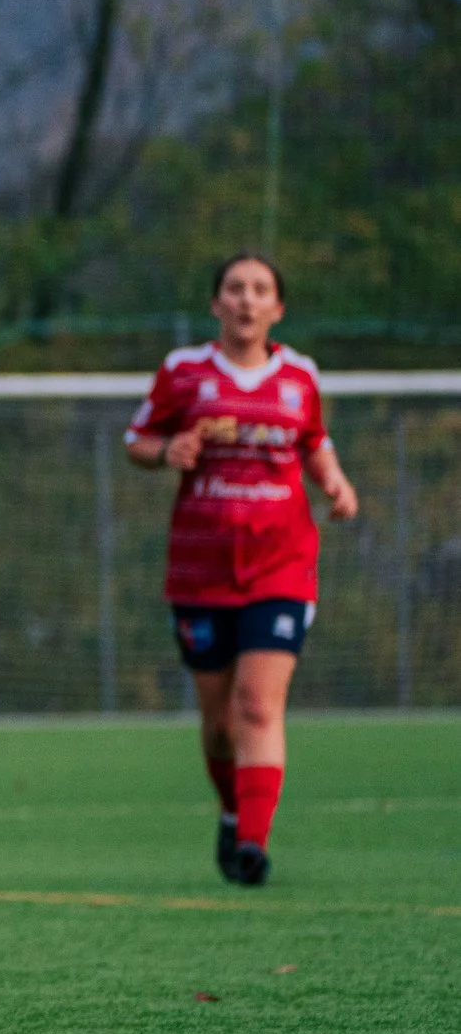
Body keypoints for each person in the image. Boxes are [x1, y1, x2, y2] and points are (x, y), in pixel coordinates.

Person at [124, 253, 358, 886]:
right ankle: (233, 813)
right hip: (200, 571)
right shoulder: (183, 372)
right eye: (235, 289)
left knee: (257, 706)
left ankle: (253, 844)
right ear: (216, 303)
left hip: (282, 566)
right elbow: (136, 441)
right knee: (220, 723)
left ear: (277, 308)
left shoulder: (299, 376)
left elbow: (313, 441)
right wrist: (165, 450)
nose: (247, 300)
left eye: (261, 290)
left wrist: (334, 482)